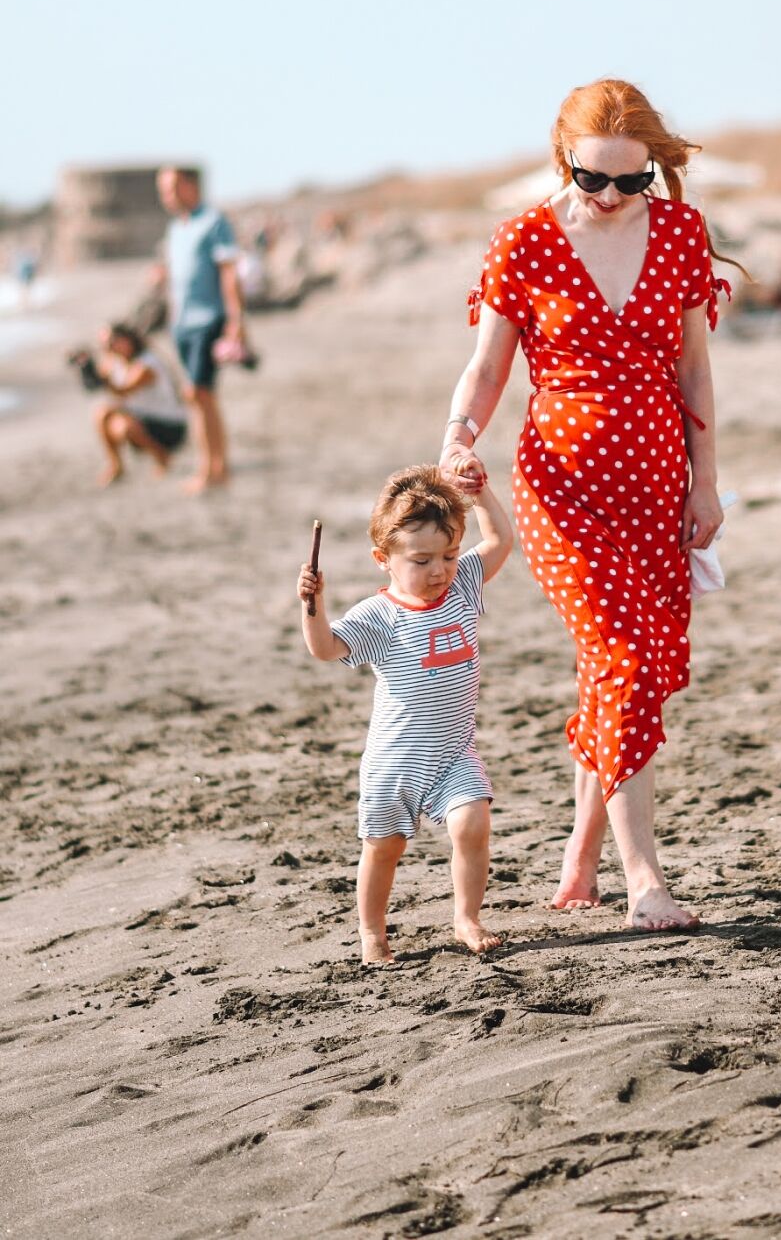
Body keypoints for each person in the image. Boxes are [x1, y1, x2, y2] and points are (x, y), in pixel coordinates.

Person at [440, 78, 731, 932]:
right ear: (562, 157)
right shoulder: (525, 240)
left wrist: (706, 481)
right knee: (623, 660)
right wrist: (459, 437)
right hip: (561, 492)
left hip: (657, 487)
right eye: (591, 176)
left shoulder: (678, 231)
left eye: (629, 180)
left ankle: (580, 857)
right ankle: (645, 878)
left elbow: (694, 371)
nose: (608, 196)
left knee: (620, 669)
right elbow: (487, 368)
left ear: (652, 170)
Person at [297, 464, 513, 964]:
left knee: (473, 823)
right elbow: (325, 649)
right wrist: (313, 604)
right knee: (384, 849)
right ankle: (372, 932)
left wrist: (481, 494)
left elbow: (500, 541)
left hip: (453, 754)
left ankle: (467, 917)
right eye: (421, 560)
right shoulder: (380, 616)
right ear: (384, 559)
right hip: (394, 764)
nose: (439, 570)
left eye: (449, 555)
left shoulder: (463, 586)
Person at [156, 166, 245, 493]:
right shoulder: (175, 228)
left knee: (197, 393)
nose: (167, 196)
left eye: (172, 188)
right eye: (163, 190)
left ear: (191, 186)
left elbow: (229, 273)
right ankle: (218, 467)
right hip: (180, 324)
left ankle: (210, 470)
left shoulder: (214, 221)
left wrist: (236, 320)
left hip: (208, 320)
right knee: (201, 398)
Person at [87, 323, 188, 486]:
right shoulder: (117, 361)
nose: (108, 348)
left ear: (126, 340)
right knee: (102, 413)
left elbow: (122, 391)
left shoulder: (147, 364)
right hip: (143, 418)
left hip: (168, 425)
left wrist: (102, 379)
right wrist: (87, 370)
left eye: (111, 343)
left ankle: (162, 456)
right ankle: (116, 465)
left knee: (124, 426)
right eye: (104, 345)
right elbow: (96, 386)